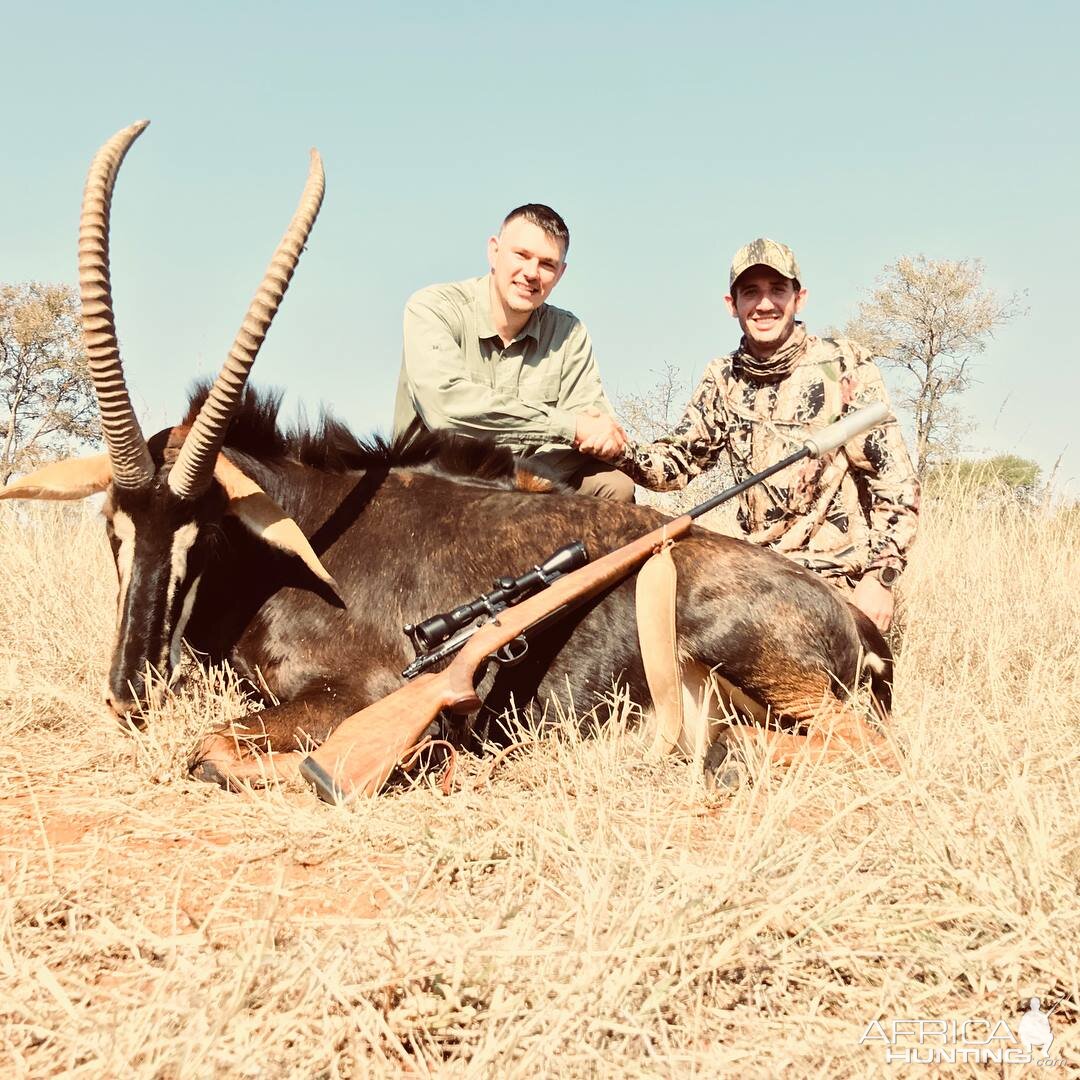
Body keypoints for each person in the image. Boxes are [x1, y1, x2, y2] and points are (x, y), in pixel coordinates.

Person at [610, 238, 919, 632]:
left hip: (835, 579)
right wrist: (619, 450)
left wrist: (880, 580)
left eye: (778, 290)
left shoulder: (842, 363)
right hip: (755, 572)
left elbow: (897, 485)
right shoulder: (723, 378)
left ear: (799, 298)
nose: (765, 304)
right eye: (751, 292)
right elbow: (678, 463)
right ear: (732, 304)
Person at [393, 203, 634, 501]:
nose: (531, 273)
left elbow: (592, 426)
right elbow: (444, 408)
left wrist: (525, 476)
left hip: (526, 483)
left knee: (615, 487)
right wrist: (569, 427)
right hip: (432, 484)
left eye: (547, 264)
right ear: (494, 251)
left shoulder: (569, 332)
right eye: (521, 255)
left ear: (560, 273)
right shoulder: (433, 307)